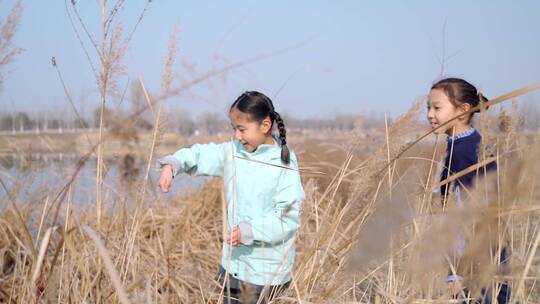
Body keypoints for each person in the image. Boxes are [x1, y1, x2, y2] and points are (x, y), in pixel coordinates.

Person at [158, 91, 305, 303]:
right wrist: (174, 164)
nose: (237, 136)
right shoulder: (233, 153)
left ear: (265, 125)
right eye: (234, 129)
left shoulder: (284, 163)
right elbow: (200, 154)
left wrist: (248, 231)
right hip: (231, 268)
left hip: (265, 275)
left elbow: (287, 218)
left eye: (242, 129)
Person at [427, 78, 509, 303]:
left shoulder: (464, 152)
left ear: (463, 111)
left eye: (437, 108)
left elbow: (469, 215)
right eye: (428, 107)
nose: (430, 115)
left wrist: (459, 272)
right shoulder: (467, 143)